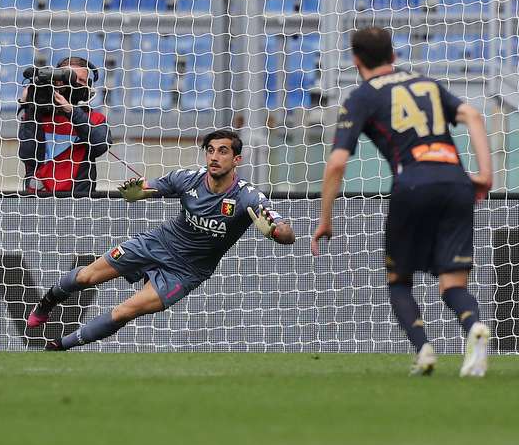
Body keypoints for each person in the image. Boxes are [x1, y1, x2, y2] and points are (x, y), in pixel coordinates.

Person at [312, 26, 492, 377]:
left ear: (356, 59)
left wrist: (325, 217)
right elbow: (473, 114)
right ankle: (473, 328)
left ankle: (424, 349)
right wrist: (485, 174)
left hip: (412, 184)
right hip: (457, 181)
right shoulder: (426, 83)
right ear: (394, 55)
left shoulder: (361, 97)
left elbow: (336, 163)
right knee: (453, 283)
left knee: (399, 279)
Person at [28, 129, 296, 350]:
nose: (214, 157)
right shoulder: (187, 179)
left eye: (223, 151)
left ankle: (58, 346)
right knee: (87, 276)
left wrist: (275, 231)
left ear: (237, 159)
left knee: (125, 311)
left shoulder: (248, 196)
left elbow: (287, 234)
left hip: (187, 271)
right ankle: (46, 303)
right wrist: (134, 193)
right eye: (210, 150)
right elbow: (145, 189)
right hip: (157, 243)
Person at [17, 56, 112, 196]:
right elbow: (28, 155)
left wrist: (71, 112)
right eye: (70, 79)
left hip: (79, 201)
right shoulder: (38, 116)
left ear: (88, 86)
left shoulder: (94, 118)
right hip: (39, 200)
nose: (75, 84)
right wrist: (29, 107)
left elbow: (101, 146)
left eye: (81, 81)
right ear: (57, 81)